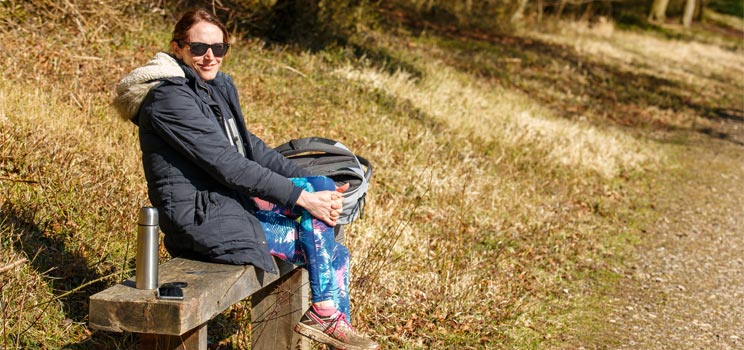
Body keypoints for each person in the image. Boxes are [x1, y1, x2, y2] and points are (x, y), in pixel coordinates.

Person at [113, 8, 378, 350]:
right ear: (177, 47)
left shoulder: (211, 88)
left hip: (231, 208)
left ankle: (327, 318)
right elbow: (227, 164)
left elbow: (251, 148)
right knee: (320, 237)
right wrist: (303, 198)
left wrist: (316, 184)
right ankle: (325, 316)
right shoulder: (168, 100)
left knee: (333, 248)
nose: (210, 57)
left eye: (219, 48)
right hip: (203, 220)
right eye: (198, 48)